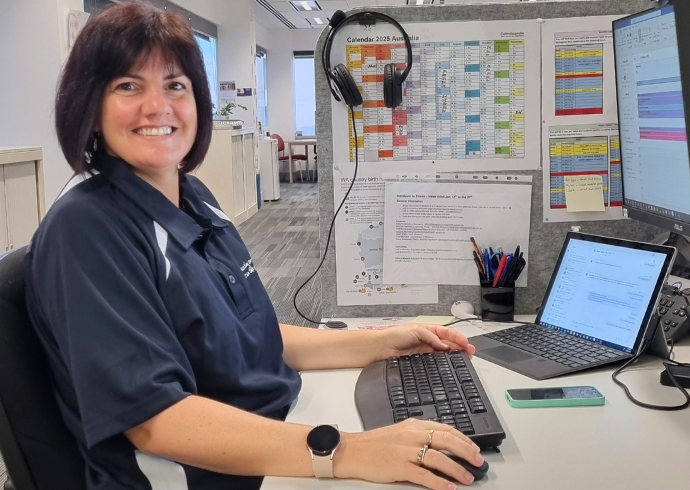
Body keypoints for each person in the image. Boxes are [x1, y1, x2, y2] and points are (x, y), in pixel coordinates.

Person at [24, 3, 484, 490]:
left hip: (274, 435)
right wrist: (346, 450)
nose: (157, 105)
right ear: (90, 108)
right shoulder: (87, 229)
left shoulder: (195, 199)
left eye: (175, 85)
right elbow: (155, 419)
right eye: (128, 86)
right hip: (211, 475)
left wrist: (380, 342)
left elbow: (255, 336)